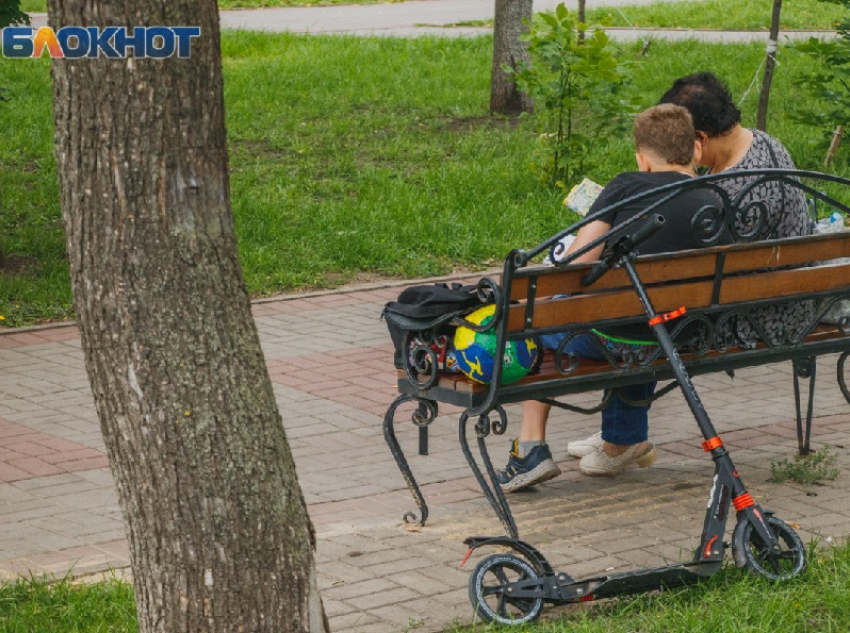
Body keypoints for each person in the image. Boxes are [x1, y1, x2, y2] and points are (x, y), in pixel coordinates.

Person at [565, 72, 815, 471]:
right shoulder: (766, 143)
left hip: (754, 318)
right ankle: (621, 433)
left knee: (641, 294)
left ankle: (622, 437)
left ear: (697, 139)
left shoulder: (729, 191)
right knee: (648, 290)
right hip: (796, 297)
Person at [497, 103, 731, 492]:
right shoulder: (716, 196)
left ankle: (530, 448)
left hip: (621, 335)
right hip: (688, 333)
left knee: (536, 317)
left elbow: (577, 264)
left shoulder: (627, 185)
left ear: (643, 159)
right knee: (638, 316)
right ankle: (621, 440)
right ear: (695, 150)